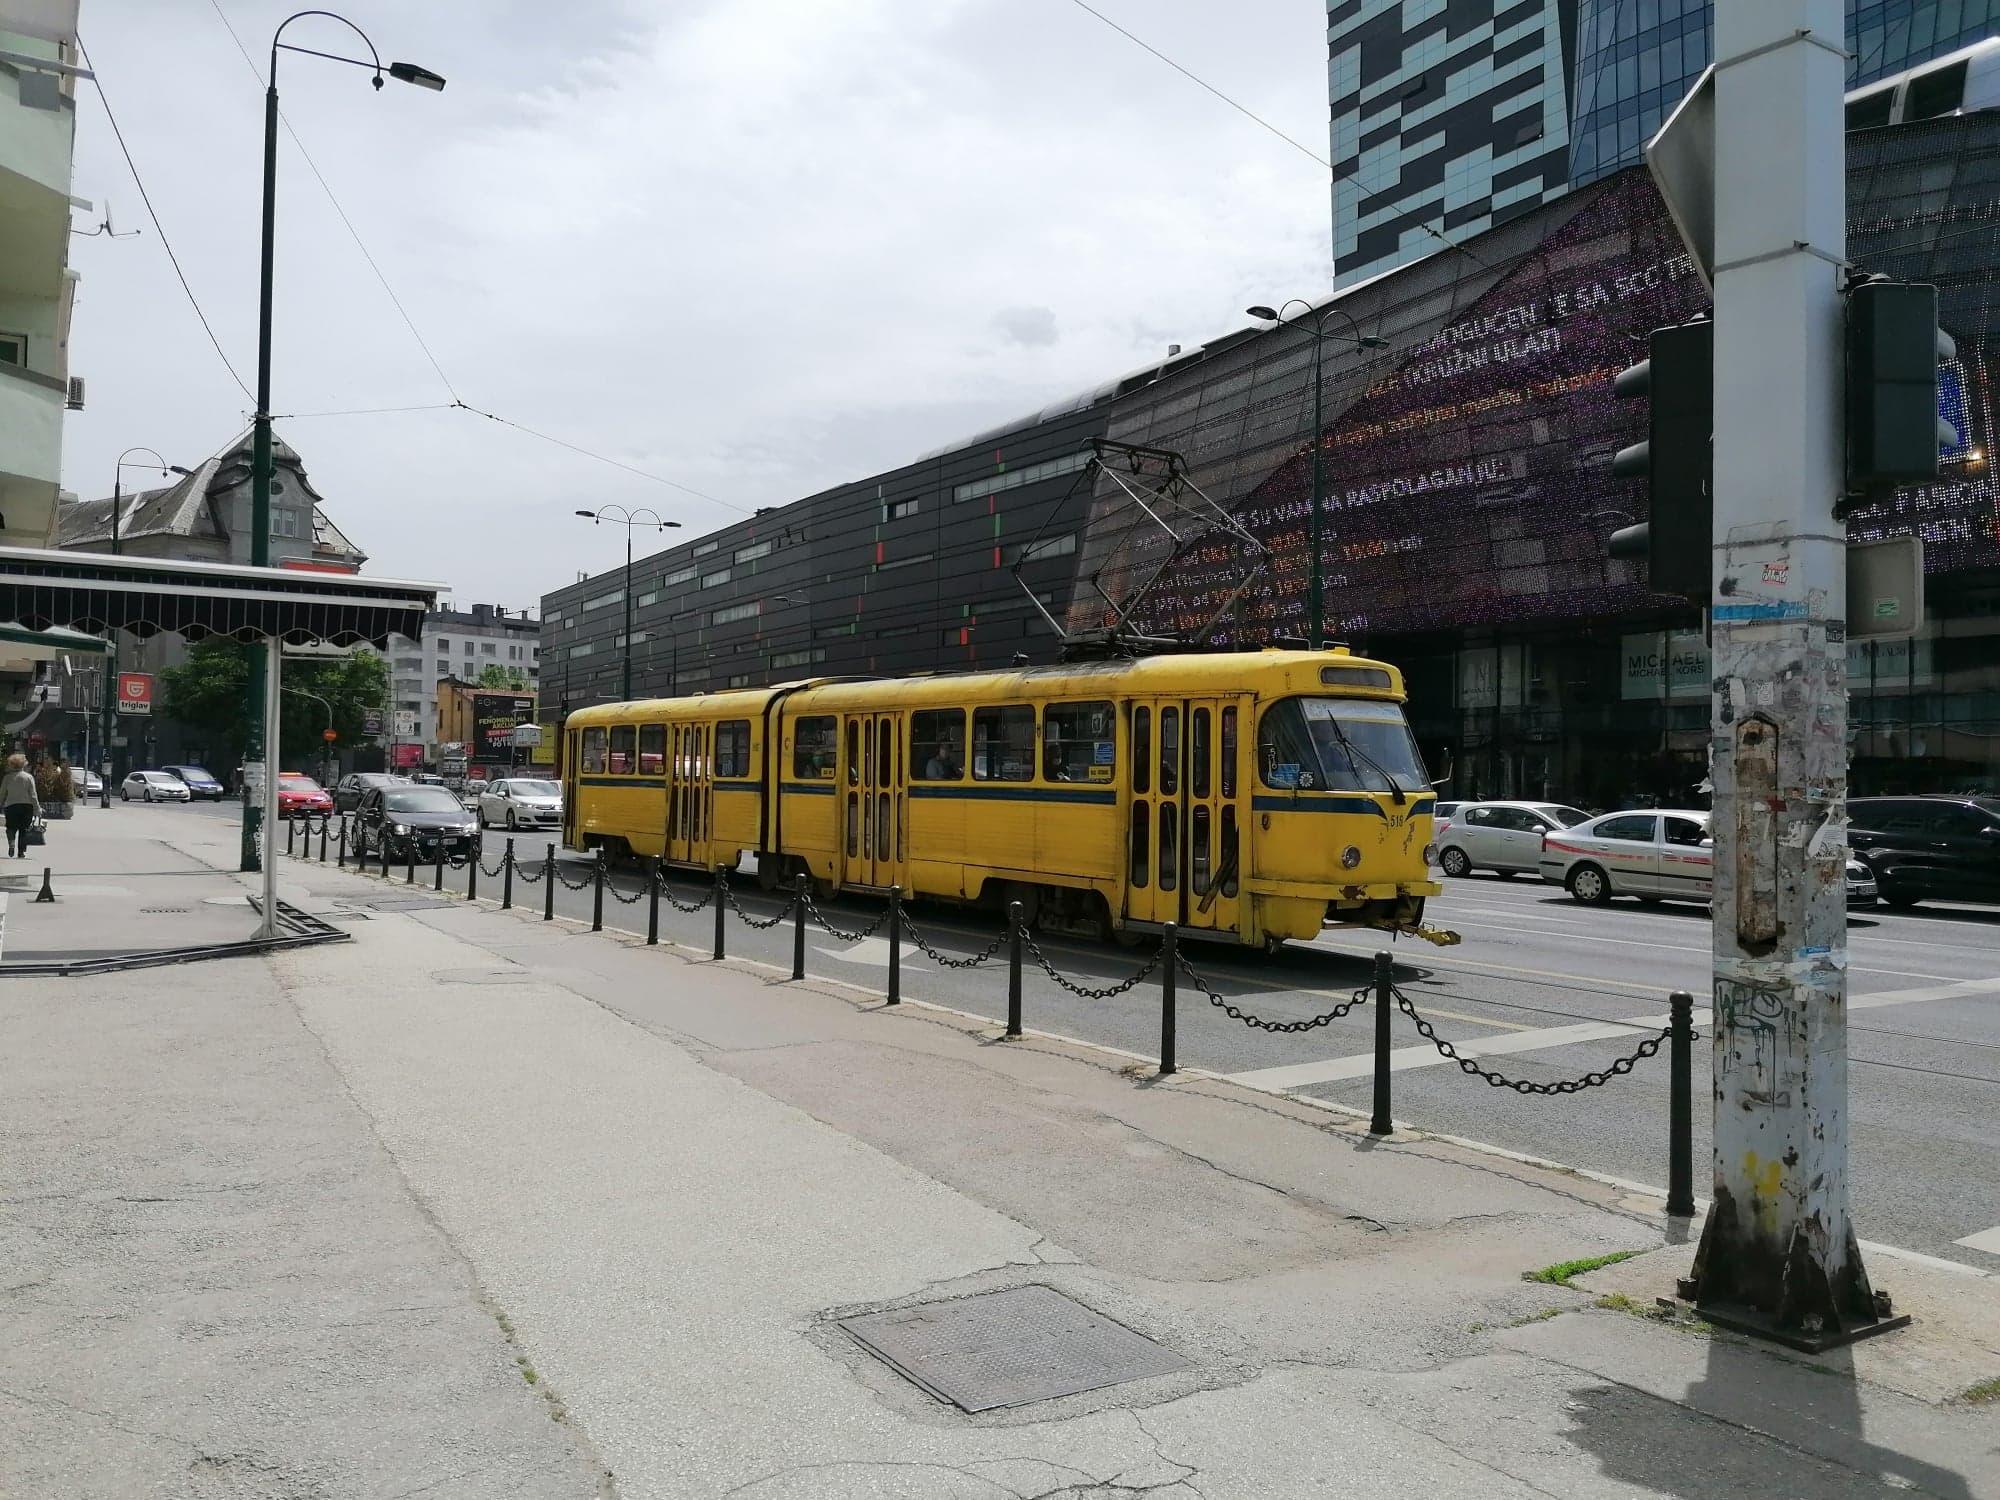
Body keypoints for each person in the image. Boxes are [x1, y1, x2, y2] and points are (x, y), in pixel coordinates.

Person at [3, 753, 39, 858]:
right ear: (23, 765)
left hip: (11, 806)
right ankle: (21, 852)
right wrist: (37, 808)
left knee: (11, 827)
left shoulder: (7, 778)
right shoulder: (29, 777)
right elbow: (33, 795)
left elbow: (2, 793)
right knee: (24, 829)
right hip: (26, 807)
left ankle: (11, 843)